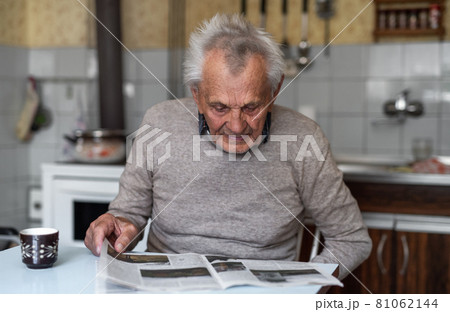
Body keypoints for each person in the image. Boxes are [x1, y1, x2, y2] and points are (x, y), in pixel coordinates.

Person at [85, 13, 371, 280]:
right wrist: (117, 225)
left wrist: (302, 289)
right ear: (196, 95)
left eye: (252, 107)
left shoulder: (304, 138)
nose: (236, 125)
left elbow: (351, 239)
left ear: (274, 91)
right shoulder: (159, 123)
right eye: (219, 107)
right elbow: (129, 215)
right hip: (168, 292)